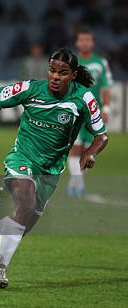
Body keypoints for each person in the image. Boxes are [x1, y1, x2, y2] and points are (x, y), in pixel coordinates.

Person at [0, 47, 108, 288]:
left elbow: (102, 135)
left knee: (25, 221)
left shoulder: (84, 98)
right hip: (22, 158)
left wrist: (90, 152)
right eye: (52, 70)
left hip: (51, 170)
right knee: (26, 203)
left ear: (73, 75)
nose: (55, 76)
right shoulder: (30, 89)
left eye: (62, 72)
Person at [67, 28, 113, 197]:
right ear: (77, 42)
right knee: (75, 148)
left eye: (88, 40)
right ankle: (78, 185)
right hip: (75, 109)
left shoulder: (101, 63)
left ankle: (75, 183)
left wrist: (106, 108)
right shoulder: (71, 62)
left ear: (92, 42)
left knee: (89, 150)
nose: (85, 43)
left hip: (94, 111)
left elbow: (106, 88)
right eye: (82, 40)